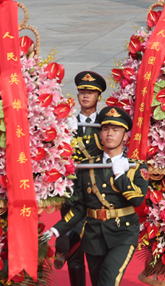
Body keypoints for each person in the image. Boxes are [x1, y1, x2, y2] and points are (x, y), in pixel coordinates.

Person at [47, 106, 147, 286]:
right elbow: (79, 208)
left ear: (125, 136)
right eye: (106, 129)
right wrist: (54, 230)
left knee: (108, 279)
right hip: (94, 235)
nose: (110, 134)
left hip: (122, 233)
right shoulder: (86, 167)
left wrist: (120, 176)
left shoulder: (136, 167)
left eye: (116, 130)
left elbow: (137, 200)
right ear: (100, 134)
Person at [59, 71, 106, 286]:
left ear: (99, 96)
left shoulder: (107, 124)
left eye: (91, 92)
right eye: (82, 92)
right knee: (75, 259)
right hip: (72, 193)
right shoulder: (66, 125)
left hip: (98, 193)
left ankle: (65, 243)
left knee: (96, 251)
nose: (85, 96)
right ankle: (67, 245)